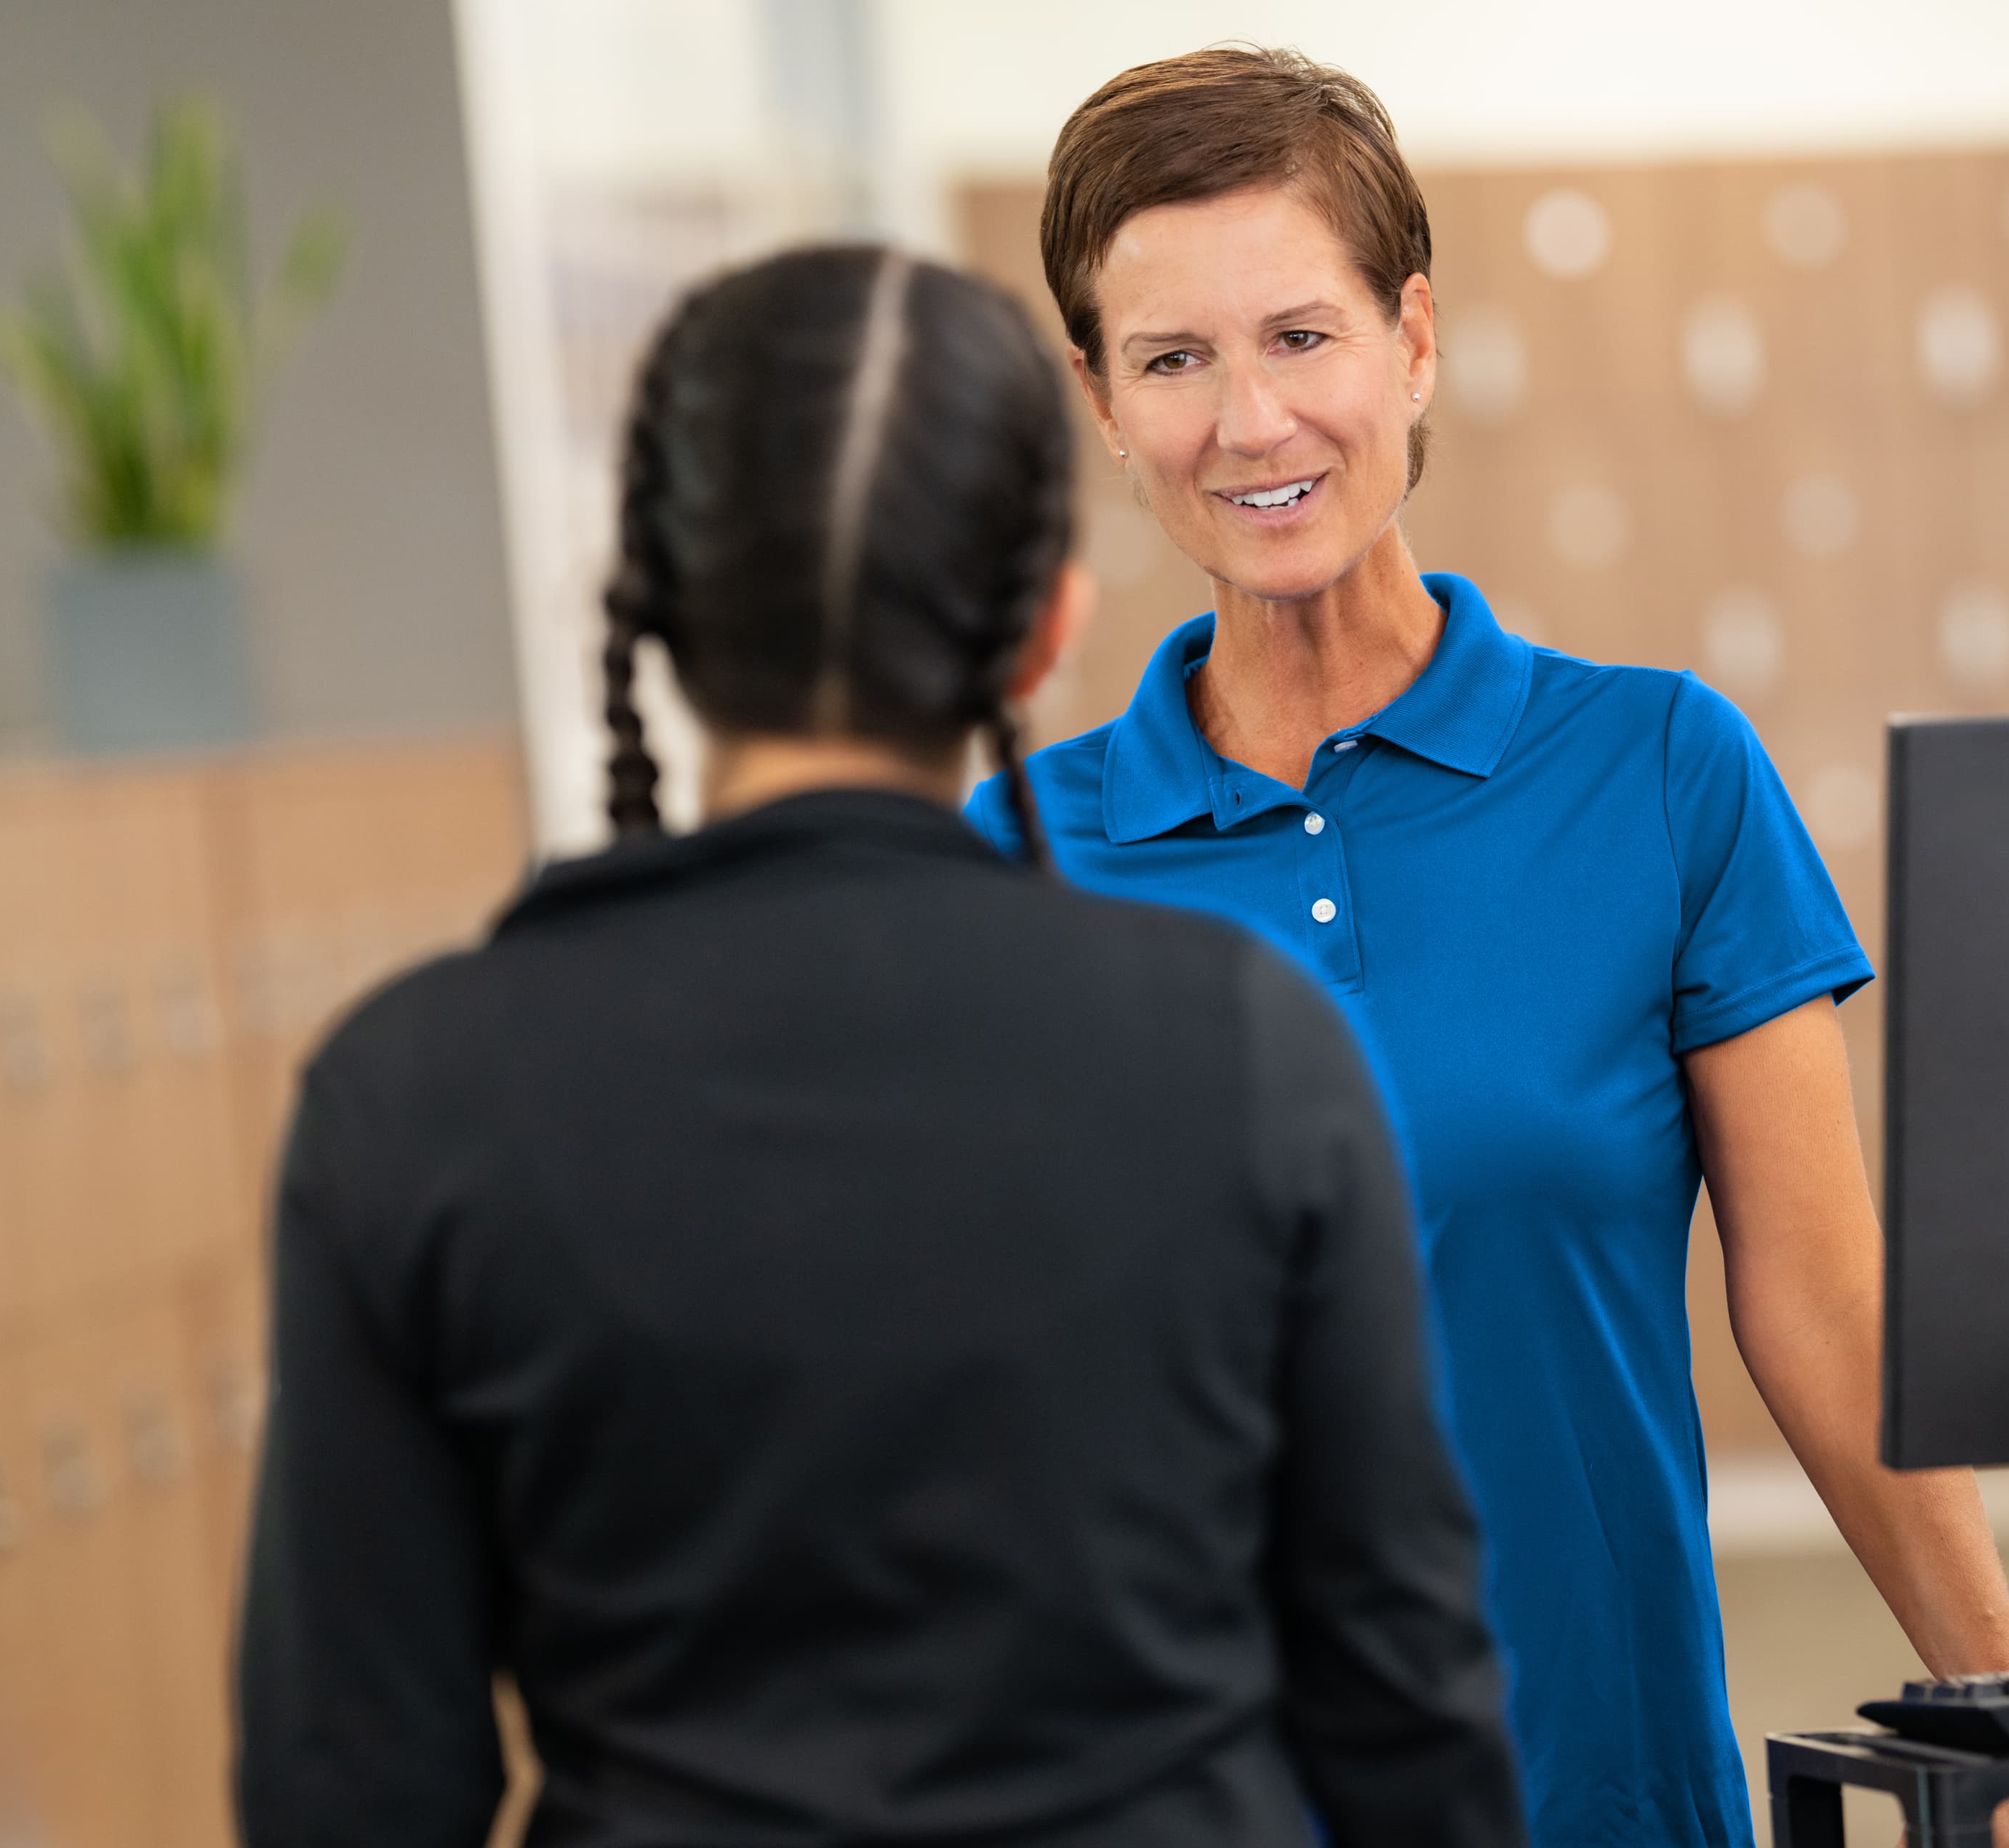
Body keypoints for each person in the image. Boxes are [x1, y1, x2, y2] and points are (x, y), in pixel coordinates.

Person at [234, 246, 1525, 1848]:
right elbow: (1405, 1705)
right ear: (1046, 629)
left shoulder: (414, 1095)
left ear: (658, 619)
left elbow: (350, 1784)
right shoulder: (1247, 1048)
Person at [968, 48, 2009, 1848]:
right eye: (1172, 359)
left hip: (1598, 1794)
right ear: (1099, 397)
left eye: (1300, 336)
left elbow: (1822, 1307)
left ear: (1413, 341)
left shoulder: (1662, 770)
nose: (1250, 421)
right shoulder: (1012, 861)